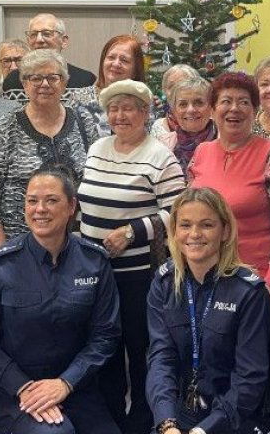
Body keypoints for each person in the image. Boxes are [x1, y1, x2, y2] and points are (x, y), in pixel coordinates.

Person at [0, 167, 121, 434]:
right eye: (32, 200)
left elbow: (105, 337)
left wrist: (65, 383)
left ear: (71, 206)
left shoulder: (94, 262)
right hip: (12, 389)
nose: (40, 209)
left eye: (51, 200)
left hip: (75, 386)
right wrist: (24, 387)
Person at [78, 79, 186, 433]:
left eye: (128, 108)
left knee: (140, 350)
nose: (120, 115)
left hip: (138, 275)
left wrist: (131, 231)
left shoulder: (160, 157)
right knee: (103, 349)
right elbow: (84, 204)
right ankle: (109, 420)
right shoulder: (96, 148)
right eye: (113, 108)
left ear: (144, 113)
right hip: (94, 271)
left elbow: (178, 213)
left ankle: (142, 421)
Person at [147, 187, 270, 434]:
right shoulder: (163, 284)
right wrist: (166, 423)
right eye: (185, 225)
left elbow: (249, 379)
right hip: (179, 416)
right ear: (174, 231)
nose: (194, 234)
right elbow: (161, 360)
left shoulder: (250, 292)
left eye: (206, 225)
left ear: (225, 231)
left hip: (232, 418)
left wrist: (204, 430)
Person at [189, 72, 270, 305]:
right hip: (204, 274)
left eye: (244, 102)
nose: (234, 109)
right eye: (226, 101)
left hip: (252, 280)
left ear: (255, 111)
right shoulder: (201, 153)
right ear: (212, 110)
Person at [0, 49, 98, 249]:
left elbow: (98, 180)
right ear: (24, 84)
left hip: (77, 245)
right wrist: (0, 251)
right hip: (19, 248)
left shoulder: (83, 121)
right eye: (35, 78)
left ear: (64, 82)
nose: (45, 84)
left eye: (53, 77)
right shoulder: (5, 127)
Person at [0, 14, 97, 103]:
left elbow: (88, 119)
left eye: (46, 34)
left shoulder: (85, 80)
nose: (39, 40)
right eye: (33, 34)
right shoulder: (12, 81)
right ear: (28, 41)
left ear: (64, 41)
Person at [65, 34, 145, 137]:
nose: (116, 64)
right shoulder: (77, 99)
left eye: (124, 60)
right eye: (111, 57)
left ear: (135, 69)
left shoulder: (143, 104)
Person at [150, 75, 216, 177]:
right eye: (183, 104)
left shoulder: (225, 142)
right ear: (174, 110)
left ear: (211, 107)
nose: (190, 110)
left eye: (199, 103)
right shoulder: (162, 145)